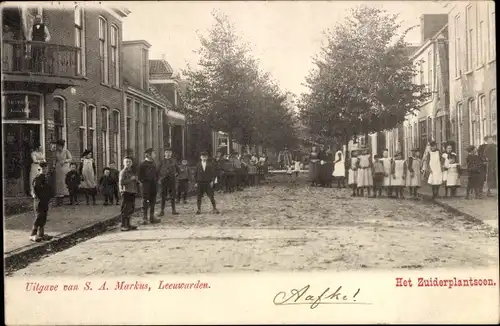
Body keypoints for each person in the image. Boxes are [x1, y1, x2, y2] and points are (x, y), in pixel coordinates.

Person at [30, 162, 53, 242]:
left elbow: (49, 189)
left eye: (46, 168)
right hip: (39, 201)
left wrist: (50, 197)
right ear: (39, 169)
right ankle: (33, 234)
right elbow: (34, 190)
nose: (45, 170)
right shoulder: (37, 178)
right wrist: (35, 196)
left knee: (44, 217)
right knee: (39, 217)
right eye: (43, 169)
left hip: (45, 200)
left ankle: (41, 234)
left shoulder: (47, 178)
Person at [138, 148, 161, 224]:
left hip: (154, 185)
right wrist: (144, 183)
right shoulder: (143, 164)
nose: (155, 155)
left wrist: (157, 180)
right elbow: (139, 176)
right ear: (148, 155)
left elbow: (157, 174)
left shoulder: (154, 163)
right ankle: (144, 218)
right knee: (145, 201)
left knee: (153, 200)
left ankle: (152, 217)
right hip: (146, 185)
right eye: (153, 153)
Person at [157, 148, 179, 217]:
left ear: (171, 153)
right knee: (163, 196)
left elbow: (178, 169)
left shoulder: (174, 161)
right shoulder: (161, 161)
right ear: (164, 153)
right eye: (167, 152)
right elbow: (157, 171)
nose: (168, 154)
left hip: (172, 180)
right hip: (164, 180)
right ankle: (162, 211)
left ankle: (173, 210)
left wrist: (176, 174)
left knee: (172, 195)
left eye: (169, 152)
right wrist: (160, 178)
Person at [119, 157, 139, 231]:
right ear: (123, 163)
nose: (128, 163)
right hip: (126, 192)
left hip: (132, 191)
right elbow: (121, 182)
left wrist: (136, 180)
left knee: (131, 208)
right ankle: (123, 225)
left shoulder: (132, 172)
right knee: (125, 209)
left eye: (129, 162)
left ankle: (128, 224)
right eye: (126, 162)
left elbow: (135, 181)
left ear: (132, 163)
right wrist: (130, 179)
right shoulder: (123, 172)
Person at [54, 139, 72, 206]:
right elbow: (56, 159)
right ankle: (59, 198)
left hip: (64, 167)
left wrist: (65, 161)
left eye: (59, 146)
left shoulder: (66, 151)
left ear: (62, 146)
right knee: (58, 183)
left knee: (64, 182)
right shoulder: (57, 152)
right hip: (58, 167)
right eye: (57, 146)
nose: (58, 147)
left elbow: (70, 158)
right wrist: (54, 164)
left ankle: (65, 198)